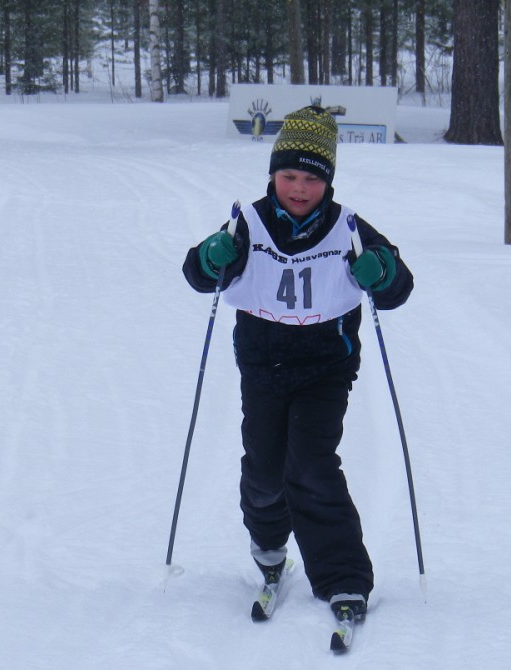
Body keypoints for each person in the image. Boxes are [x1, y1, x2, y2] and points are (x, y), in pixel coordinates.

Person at [182, 105, 413, 622]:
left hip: (325, 368)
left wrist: (382, 271)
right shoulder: (250, 223)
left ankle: (343, 577)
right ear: (272, 174)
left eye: (312, 178)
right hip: (262, 366)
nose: (300, 188)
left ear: (327, 181)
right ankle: (269, 552)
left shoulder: (347, 226)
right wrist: (211, 256)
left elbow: (399, 286)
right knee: (265, 472)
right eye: (289, 175)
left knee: (309, 467)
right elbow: (198, 273)